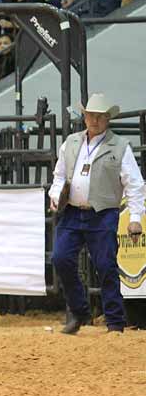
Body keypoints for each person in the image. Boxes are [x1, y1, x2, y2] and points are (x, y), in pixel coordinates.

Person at [49, 93, 145, 334]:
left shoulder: (120, 146)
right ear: (84, 117)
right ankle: (80, 311)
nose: (94, 120)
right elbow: (59, 175)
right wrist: (56, 195)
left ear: (107, 119)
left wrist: (135, 218)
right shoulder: (70, 143)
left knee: (105, 265)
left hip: (103, 213)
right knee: (60, 258)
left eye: (100, 116)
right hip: (72, 211)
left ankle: (114, 321)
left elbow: (134, 184)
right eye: (91, 115)